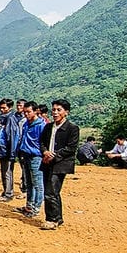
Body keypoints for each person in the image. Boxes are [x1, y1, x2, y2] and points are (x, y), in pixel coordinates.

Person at [39, 99, 80, 230]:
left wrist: (54, 156)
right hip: (47, 162)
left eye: (59, 110)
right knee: (51, 191)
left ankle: (52, 219)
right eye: (54, 110)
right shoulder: (48, 127)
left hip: (60, 164)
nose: (55, 112)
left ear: (66, 112)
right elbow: (41, 142)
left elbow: (71, 148)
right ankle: (58, 217)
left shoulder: (72, 128)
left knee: (51, 192)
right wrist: (45, 152)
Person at [14, 101, 45, 217]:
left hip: (36, 157)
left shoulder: (41, 126)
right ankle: (29, 206)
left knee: (37, 184)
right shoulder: (26, 123)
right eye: (25, 112)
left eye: (28, 112)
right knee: (29, 183)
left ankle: (36, 208)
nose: (26, 114)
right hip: (25, 156)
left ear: (36, 111)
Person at [0, 98, 23, 202]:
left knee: (7, 173)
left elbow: (13, 137)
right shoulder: (4, 118)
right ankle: (6, 191)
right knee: (4, 172)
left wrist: (11, 153)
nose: (1, 110)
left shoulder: (10, 119)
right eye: (0, 108)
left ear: (10, 108)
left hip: (8, 151)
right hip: (3, 151)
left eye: (4, 108)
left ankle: (8, 194)